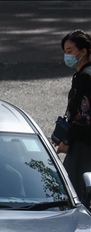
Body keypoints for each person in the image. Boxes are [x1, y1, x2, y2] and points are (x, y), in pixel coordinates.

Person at [56, 30, 91, 205]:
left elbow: (84, 116)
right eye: (65, 51)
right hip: (80, 141)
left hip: (82, 144)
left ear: (83, 51)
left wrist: (67, 141)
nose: (66, 56)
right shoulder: (82, 74)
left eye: (70, 51)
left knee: (74, 192)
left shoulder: (86, 77)